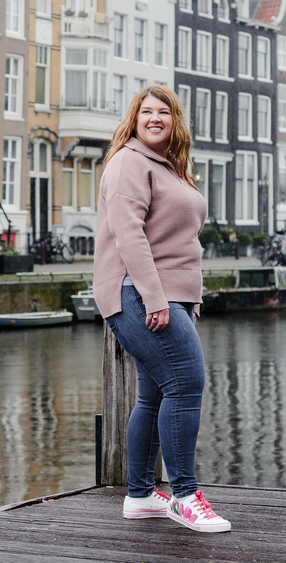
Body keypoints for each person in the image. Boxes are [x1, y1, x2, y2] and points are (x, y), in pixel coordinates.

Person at [93, 86, 231, 533]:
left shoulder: (169, 167)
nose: (155, 118)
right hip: (137, 292)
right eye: (146, 111)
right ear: (134, 120)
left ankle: (140, 495)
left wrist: (192, 299)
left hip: (167, 295)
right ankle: (184, 497)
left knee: (154, 396)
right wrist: (155, 298)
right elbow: (129, 235)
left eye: (164, 112)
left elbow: (182, 243)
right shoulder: (128, 163)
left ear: (175, 121)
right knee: (186, 385)